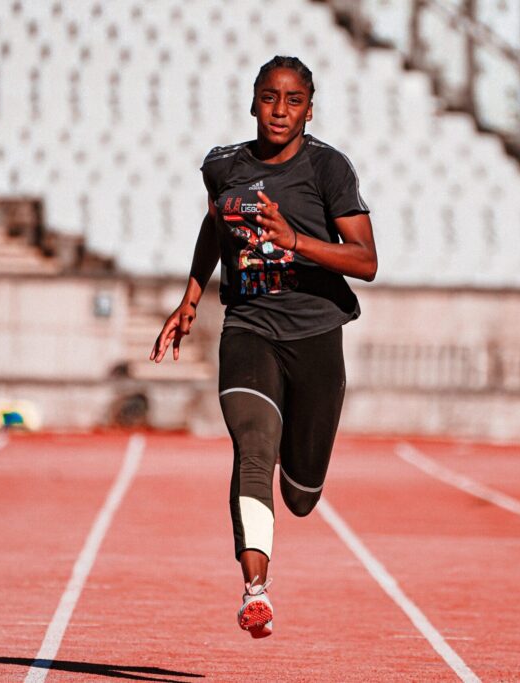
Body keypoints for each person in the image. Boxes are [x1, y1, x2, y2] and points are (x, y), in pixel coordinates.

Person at [150, 55, 377, 639]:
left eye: (293, 100)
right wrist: (192, 296)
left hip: (315, 335)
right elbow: (215, 225)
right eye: (270, 98)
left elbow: (366, 260)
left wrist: (294, 240)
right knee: (253, 446)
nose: (280, 110)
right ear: (253, 101)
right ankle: (256, 592)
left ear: (309, 108)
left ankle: (298, 488)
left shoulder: (328, 169)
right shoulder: (224, 167)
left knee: (301, 494)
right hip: (248, 327)